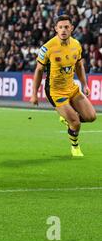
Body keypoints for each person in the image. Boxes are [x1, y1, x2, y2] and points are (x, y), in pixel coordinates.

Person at [31, 15, 97, 156]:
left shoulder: (76, 45)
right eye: (60, 27)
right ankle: (75, 146)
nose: (63, 30)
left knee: (92, 117)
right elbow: (39, 70)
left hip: (72, 88)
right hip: (55, 91)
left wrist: (85, 85)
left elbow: (79, 66)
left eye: (66, 27)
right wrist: (34, 93)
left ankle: (68, 118)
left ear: (71, 28)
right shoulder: (47, 48)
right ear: (56, 29)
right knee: (76, 123)